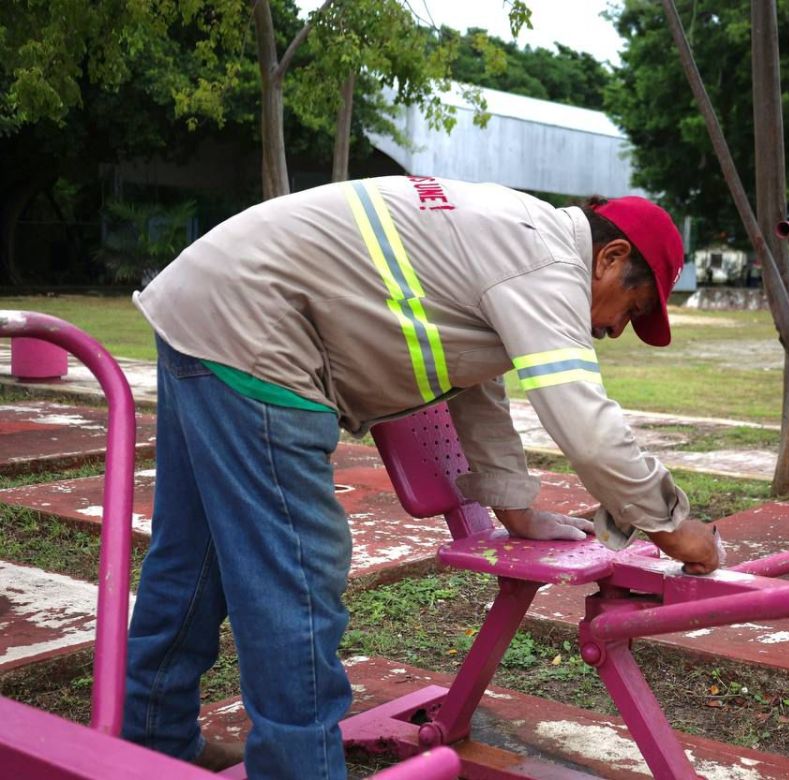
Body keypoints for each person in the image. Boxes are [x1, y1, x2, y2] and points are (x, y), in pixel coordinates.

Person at [122, 176, 721, 779]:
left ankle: (151, 739)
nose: (614, 330)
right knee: (296, 574)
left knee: (191, 557)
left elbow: (475, 377)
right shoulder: (545, 264)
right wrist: (671, 527)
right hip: (257, 332)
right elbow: (584, 423)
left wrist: (515, 509)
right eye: (631, 307)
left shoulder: (514, 234)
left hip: (202, 308)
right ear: (611, 259)